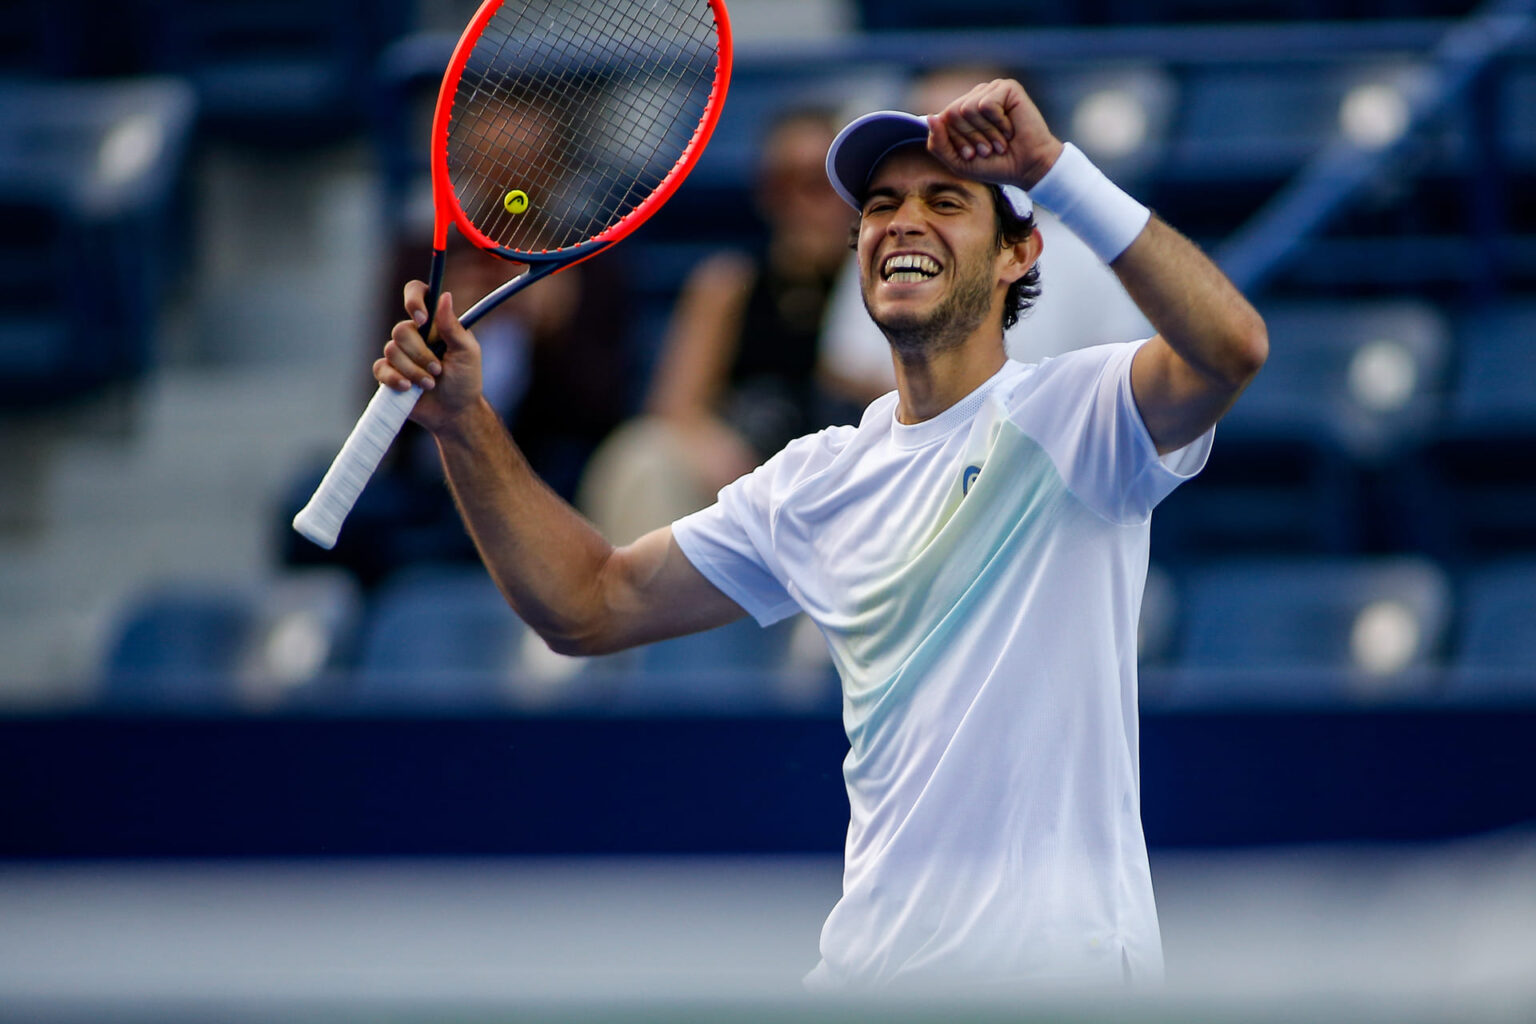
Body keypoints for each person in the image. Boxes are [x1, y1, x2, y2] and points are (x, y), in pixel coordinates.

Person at [373, 79, 1267, 989]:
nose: (902, 222)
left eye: (945, 201)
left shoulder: (1080, 413)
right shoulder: (818, 479)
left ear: (1016, 253)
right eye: (881, 206)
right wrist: (464, 420)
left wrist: (1052, 168)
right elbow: (585, 605)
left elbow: (1229, 348)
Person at [576, 106, 877, 545]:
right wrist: (735, 465)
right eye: (781, 184)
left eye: (818, 184)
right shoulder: (729, 283)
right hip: (746, 480)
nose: (799, 202)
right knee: (642, 457)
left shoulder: (888, 286)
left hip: (845, 489)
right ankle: (618, 605)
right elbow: (676, 408)